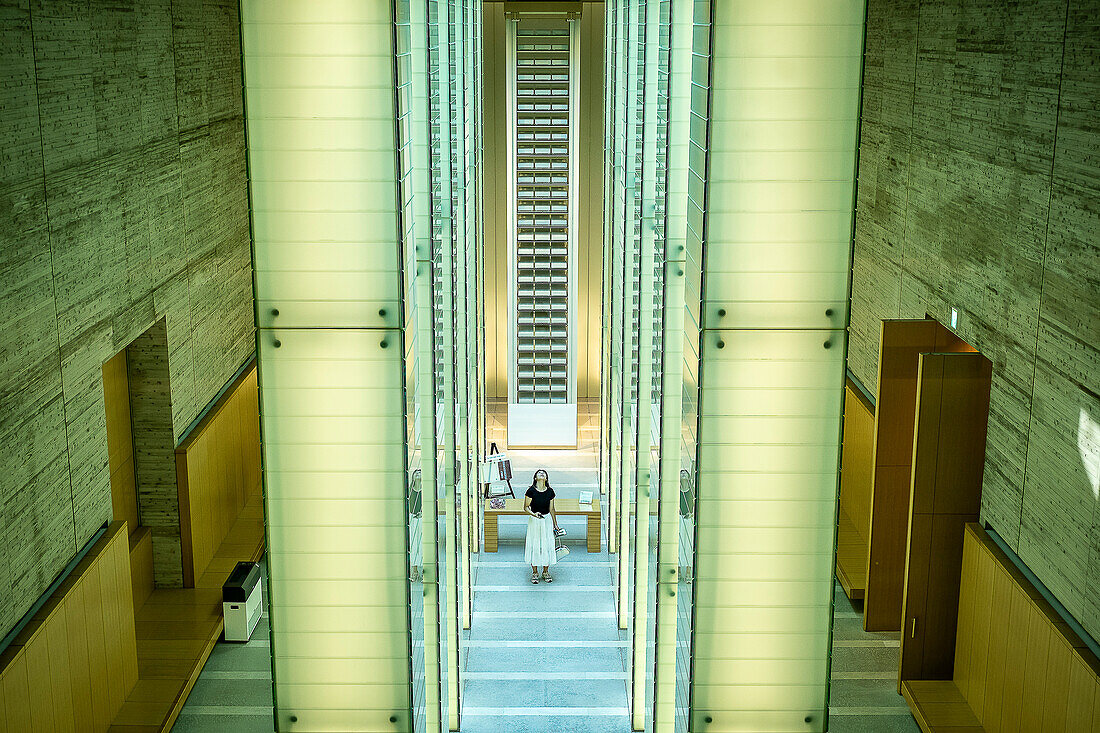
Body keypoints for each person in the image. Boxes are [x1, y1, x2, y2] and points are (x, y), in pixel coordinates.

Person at [524, 469, 560, 583]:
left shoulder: (550, 491)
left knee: (547, 544)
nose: (542, 474)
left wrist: (555, 524)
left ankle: (545, 571)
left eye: (543, 473)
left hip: (546, 520)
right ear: (535, 478)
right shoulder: (531, 491)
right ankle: (535, 572)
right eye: (539, 473)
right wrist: (534, 514)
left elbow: (552, 509)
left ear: (546, 478)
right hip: (535, 520)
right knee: (534, 544)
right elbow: (525, 507)